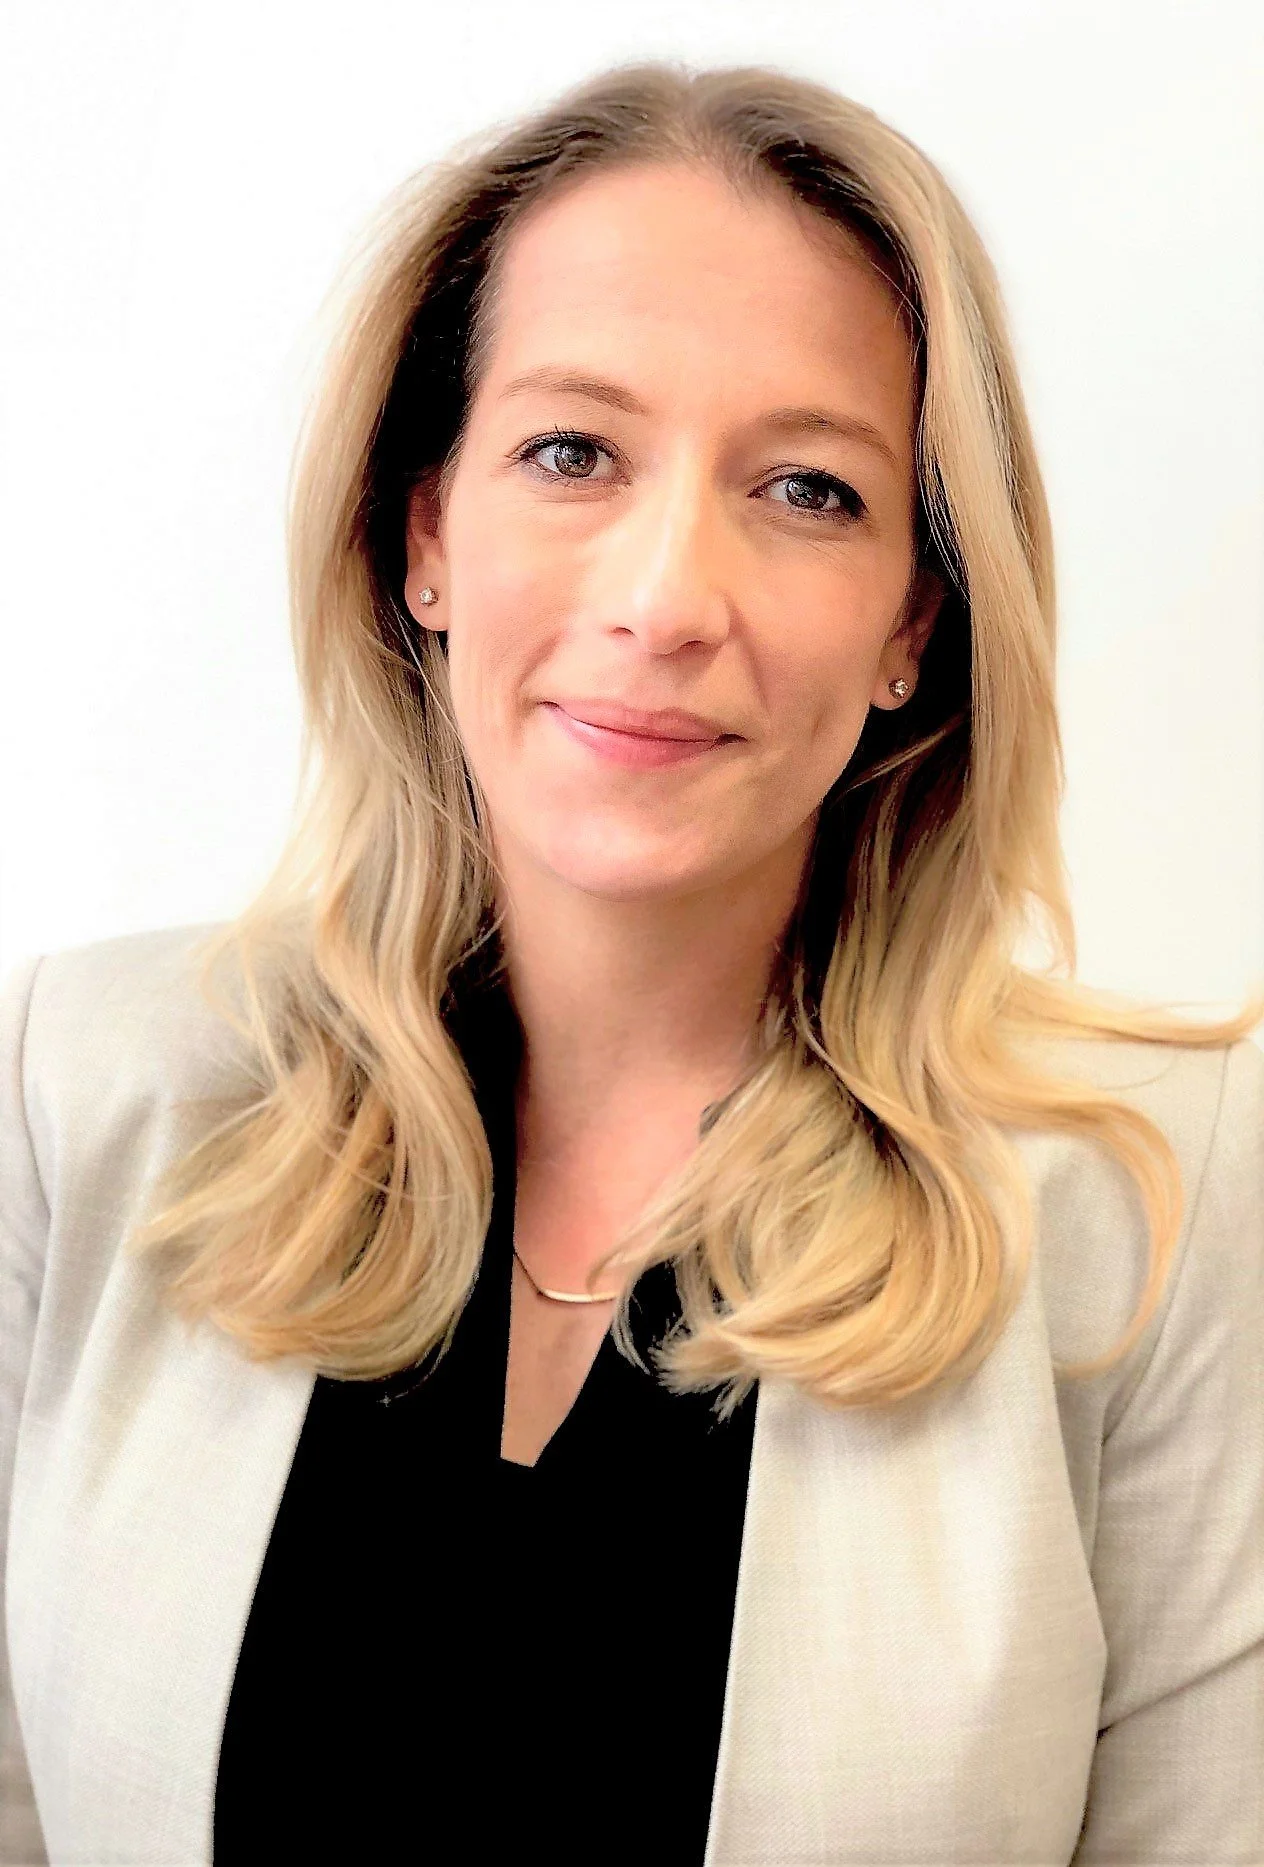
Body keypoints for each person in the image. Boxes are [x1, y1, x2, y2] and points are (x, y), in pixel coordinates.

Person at [1, 59, 1261, 1867]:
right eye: (573, 451)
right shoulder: (78, 1083)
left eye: (810, 489)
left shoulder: (1155, 1193)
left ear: (917, 619)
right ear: (426, 531)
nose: (671, 596)